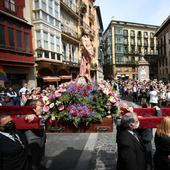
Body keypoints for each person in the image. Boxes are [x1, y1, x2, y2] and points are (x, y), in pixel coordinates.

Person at [24, 99, 46, 170]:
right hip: (33, 141)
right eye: (40, 106)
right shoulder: (29, 116)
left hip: (41, 140)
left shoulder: (38, 114)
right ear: (33, 107)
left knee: (40, 159)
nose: (42, 107)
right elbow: (38, 126)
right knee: (34, 162)